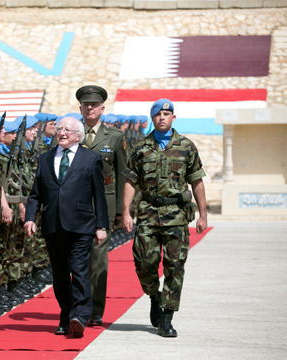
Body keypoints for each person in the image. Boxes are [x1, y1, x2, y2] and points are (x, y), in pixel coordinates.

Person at [121, 98, 207, 338]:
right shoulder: (141, 148)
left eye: (167, 114)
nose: (162, 118)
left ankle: (167, 317)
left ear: (173, 118)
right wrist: (127, 212)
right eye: (158, 114)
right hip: (148, 214)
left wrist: (203, 214)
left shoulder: (187, 147)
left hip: (177, 216)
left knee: (175, 266)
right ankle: (154, 295)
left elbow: (197, 180)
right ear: (152, 118)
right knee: (144, 263)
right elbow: (130, 181)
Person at [24, 116, 109, 338]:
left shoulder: (91, 159)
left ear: (78, 136)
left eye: (68, 130)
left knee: (79, 270)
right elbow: (36, 193)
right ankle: (66, 314)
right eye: (60, 128)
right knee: (60, 274)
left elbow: (98, 196)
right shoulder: (45, 158)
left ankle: (79, 316)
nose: (62, 132)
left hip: (81, 225)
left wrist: (101, 225)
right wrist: (30, 218)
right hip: (53, 225)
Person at [76, 85, 127, 327]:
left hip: (102, 208)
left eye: (94, 105)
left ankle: (95, 310)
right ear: (80, 108)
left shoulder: (114, 137)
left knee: (98, 261)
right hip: (75, 207)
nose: (90, 108)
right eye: (86, 104)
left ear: (102, 108)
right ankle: (78, 308)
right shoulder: (72, 133)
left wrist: (119, 211)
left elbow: (121, 175)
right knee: (76, 261)